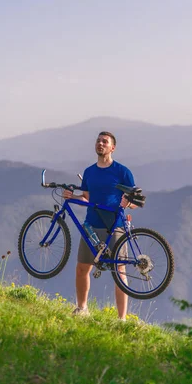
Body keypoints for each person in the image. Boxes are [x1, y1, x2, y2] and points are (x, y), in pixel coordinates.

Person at [62, 131, 137, 321]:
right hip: (92, 225)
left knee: (119, 271)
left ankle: (122, 319)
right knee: (81, 268)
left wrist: (127, 202)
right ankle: (82, 309)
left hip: (116, 226)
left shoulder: (122, 172)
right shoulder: (89, 172)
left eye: (105, 141)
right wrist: (73, 197)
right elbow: (87, 197)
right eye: (98, 140)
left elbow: (135, 201)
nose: (100, 144)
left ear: (113, 148)